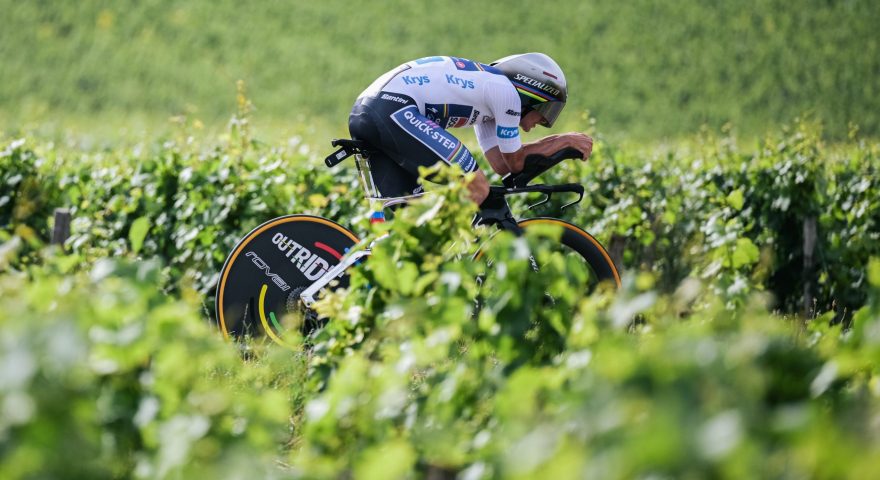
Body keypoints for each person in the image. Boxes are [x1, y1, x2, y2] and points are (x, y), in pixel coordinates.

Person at [347, 53, 593, 206]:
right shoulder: (505, 92)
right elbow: (516, 162)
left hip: (370, 111)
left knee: (406, 215)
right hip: (392, 109)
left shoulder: (485, 102)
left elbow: (501, 164)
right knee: (476, 186)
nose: (534, 126)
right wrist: (563, 141)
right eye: (545, 113)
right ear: (532, 94)